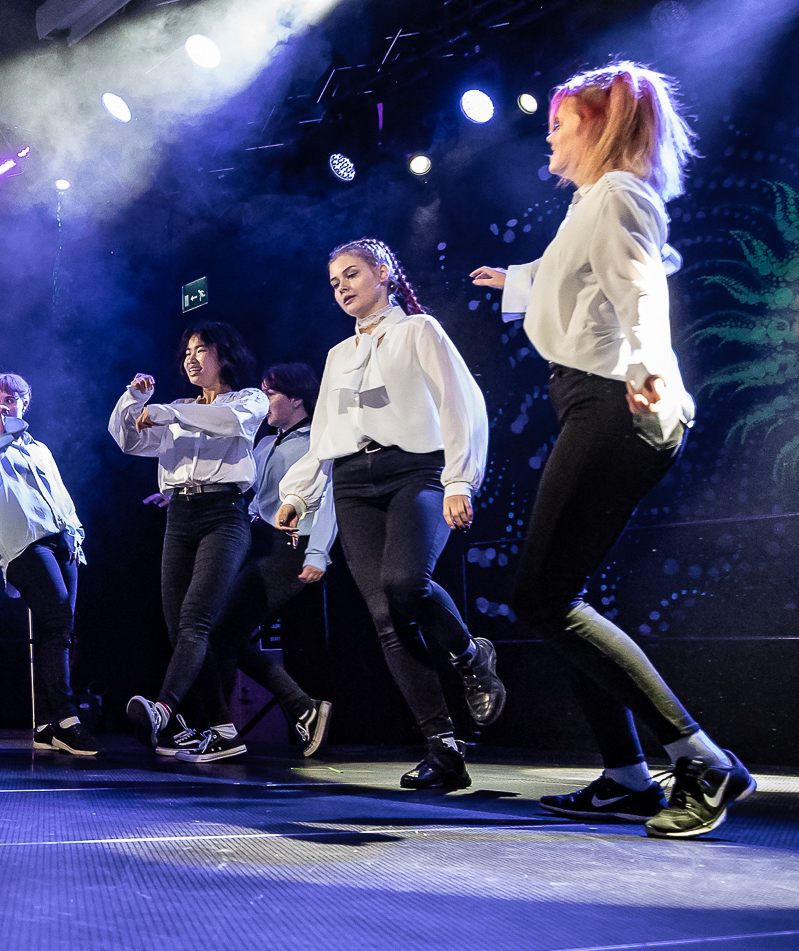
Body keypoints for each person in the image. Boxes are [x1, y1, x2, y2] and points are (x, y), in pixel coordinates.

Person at [471, 60, 755, 839]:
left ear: (596, 128)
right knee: (557, 596)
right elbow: (585, 273)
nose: (549, 137)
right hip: (595, 401)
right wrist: (516, 279)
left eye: (560, 123)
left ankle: (703, 759)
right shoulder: (594, 201)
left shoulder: (617, 194)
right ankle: (628, 774)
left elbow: (640, 289)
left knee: (543, 597)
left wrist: (648, 372)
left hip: (615, 403)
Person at [277, 239, 504, 791]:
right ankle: (443, 750)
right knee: (387, 618)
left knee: (405, 583)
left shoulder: (419, 331)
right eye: (335, 283)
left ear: (383, 272)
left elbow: (460, 403)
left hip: (417, 470)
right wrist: (300, 494)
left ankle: (470, 656)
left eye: (352, 274)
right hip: (353, 482)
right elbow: (326, 432)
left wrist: (459, 480)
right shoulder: (339, 355)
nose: (343, 288)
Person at [110, 320, 268, 758]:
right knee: (178, 627)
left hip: (224, 514)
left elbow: (228, 422)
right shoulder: (179, 407)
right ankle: (222, 729)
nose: (191, 359)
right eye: (186, 353)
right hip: (180, 516)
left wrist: (168, 412)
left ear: (224, 354)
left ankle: (163, 710)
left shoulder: (248, 399)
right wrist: (134, 400)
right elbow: (127, 441)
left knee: (196, 619)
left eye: (201, 350)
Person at [186, 361, 338, 763]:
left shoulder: (317, 441)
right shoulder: (266, 444)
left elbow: (330, 499)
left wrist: (318, 553)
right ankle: (298, 708)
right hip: (257, 543)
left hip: (293, 546)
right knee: (221, 635)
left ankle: (223, 728)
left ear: (297, 399)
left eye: (271, 392)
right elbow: (241, 490)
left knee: (220, 634)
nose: (264, 399)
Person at [0, 372, 96, 757]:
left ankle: (44, 724)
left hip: (62, 542)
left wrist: (75, 533)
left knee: (58, 631)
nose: (4, 405)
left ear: (25, 403)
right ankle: (68, 721)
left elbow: (61, 496)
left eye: (11, 399)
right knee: (57, 621)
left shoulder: (40, 449)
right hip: (25, 547)